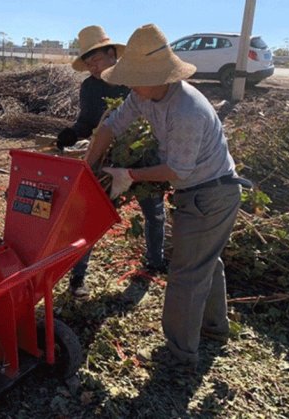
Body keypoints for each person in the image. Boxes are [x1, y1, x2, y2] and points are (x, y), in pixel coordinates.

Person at [84, 24, 246, 370]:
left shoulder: (187, 110)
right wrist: (89, 166)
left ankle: (180, 355)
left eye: (135, 78)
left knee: (186, 274)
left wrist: (129, 175)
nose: (130, 86)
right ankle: (215, 329)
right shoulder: (144, 95)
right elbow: (112, 125)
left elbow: (177, 170)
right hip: (203, 191)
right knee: (205, 263)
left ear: (160, 76)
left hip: (211, 193)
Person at [57, 25, 166, 299]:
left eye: (96, 60)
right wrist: (73, 133)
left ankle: (155, 262)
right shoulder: (89, 87)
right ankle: (78, 278)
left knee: (153, 212)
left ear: (111, 54)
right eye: (88, 63)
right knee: (93, 216)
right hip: (106, 161)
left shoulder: (134, 81)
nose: (93, 67)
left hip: (142, 158)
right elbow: (88, 123)